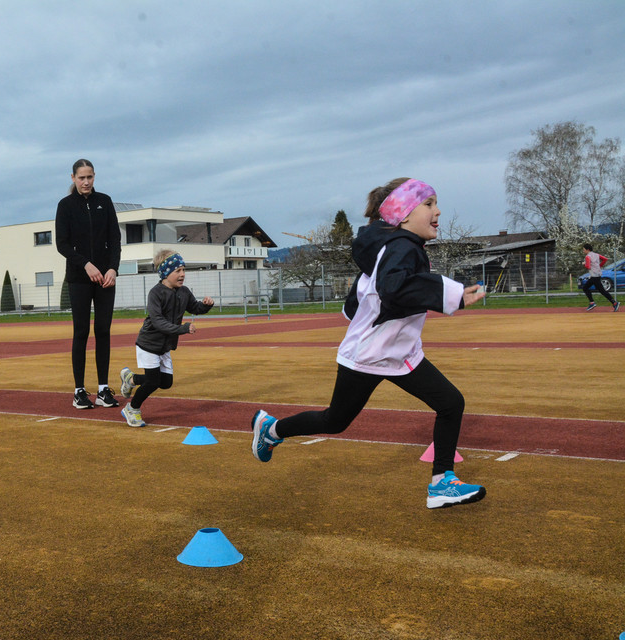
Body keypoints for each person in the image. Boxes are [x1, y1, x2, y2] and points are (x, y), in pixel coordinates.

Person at [250, 178, 488, 509]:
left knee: (450, 403)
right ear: (404, 213)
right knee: (335, 421)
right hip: (370, 355)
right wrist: (452, 294)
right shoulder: (402, 248)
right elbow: (394, 289)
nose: (438, 211)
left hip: (400, 353)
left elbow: (363, 297)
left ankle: (442, 482)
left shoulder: (395, 247)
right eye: (429, 204)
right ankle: (271, 430)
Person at [55, 159, 122, 409]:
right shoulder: (65, 206)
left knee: (103, 331)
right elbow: (62, 244)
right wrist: (86, 264)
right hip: (79, 278)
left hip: (106, 279)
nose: (86, 182)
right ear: (73, 177)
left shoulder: (105, 201)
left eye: (90, 177)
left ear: (94, 177)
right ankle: (79, 392)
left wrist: (113, 268)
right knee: (81, 332)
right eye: (82, 177)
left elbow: (115, 239)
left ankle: (103, 390)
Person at [119, 251, 214, 427]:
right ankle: (132, 408)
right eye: (178, 270)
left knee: (166, 382)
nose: (183, 274)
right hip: (148, 344)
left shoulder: (184, 292)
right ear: (165, 272)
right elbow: (158, 322)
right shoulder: (156, 293)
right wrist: (182, 328)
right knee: (153, 382)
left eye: (184, 270)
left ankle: (131, 379)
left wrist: (206, 305)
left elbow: (195, 307)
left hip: (164, 346)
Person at [581, 243, 619, 312]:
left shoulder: (587, 257)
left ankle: (592, 303)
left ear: (587, 249)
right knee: (601, 291)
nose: (583, 251)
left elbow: (588, 266)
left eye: (584, 250)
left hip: (594, 276)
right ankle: (614, 303)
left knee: (585, 288)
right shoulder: (596, 255)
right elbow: (605, 259)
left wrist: (584, 264)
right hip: (598, 275)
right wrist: (600, 266)